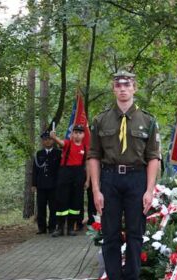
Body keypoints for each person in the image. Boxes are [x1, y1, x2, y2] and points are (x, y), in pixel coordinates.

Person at [88, 70, 161, 280]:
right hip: (109, 179)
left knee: (135, 235)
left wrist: (149, 190)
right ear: (113, 88)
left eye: (126, 85)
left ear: (134, 88)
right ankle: (114, 276)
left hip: (136, 179)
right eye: (118, 85)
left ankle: (131, 277)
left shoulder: (147, 120)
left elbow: (153, 157)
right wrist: (96, 189)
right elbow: (93, 155)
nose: (122, 89)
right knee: (110, 234)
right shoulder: (101, 120)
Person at [50, 125, 89, 237]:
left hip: (78, 176)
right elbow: (60, 143)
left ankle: (72, 227)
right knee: (62, 201)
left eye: (80, 133)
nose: (77, 135)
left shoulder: (85, 148)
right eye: (75, 132)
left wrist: (87, 180)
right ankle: (60, 227)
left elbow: (87, 164)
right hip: (65, 174)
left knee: (75, 202)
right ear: (72, 134)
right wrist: (54, 137)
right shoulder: (68, 143)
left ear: (83, 135)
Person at [32, 130, 62, 234]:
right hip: (41, 185)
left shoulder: (58, 153)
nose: (47, 142)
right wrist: (34, 184)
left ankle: (52, 227)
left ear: (53, 141)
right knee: (41, 207)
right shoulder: (39, 154)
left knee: (53, 207)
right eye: (45, 140)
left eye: (49, 139)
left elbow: (60, 170)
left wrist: (59, 183)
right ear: (42, 142)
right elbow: (35, 169)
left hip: (54, 185)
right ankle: (42, 228)